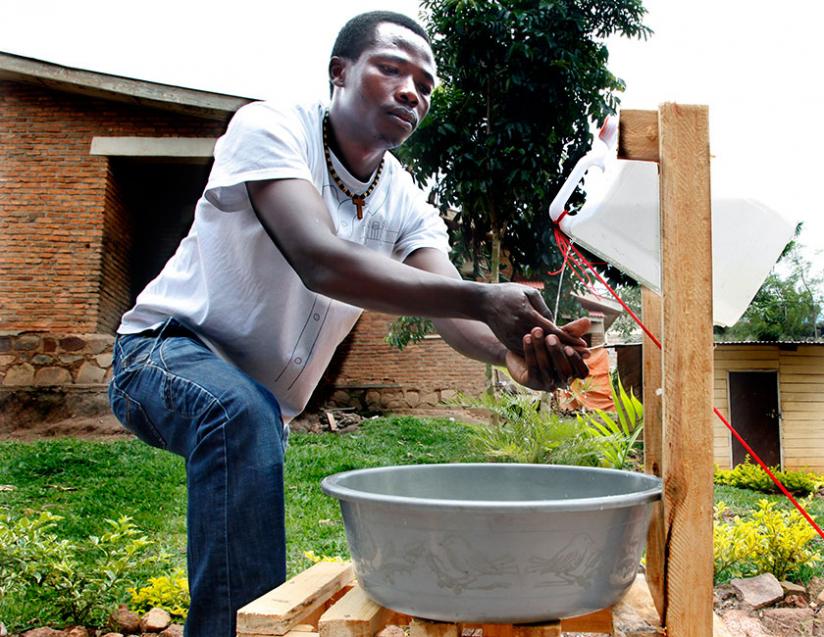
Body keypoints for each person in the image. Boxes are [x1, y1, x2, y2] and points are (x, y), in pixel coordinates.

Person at [108, 10, 590, 637]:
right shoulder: (272, 128)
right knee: (238, 414)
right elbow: (318, 259)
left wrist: (512, 352)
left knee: (246, 416)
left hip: (256, 406)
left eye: (424, 82)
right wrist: (483, 299)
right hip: (160, 354)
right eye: (391, 68)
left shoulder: (404, 199)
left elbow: (450, 304)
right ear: (340, 72)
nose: (411, 90)